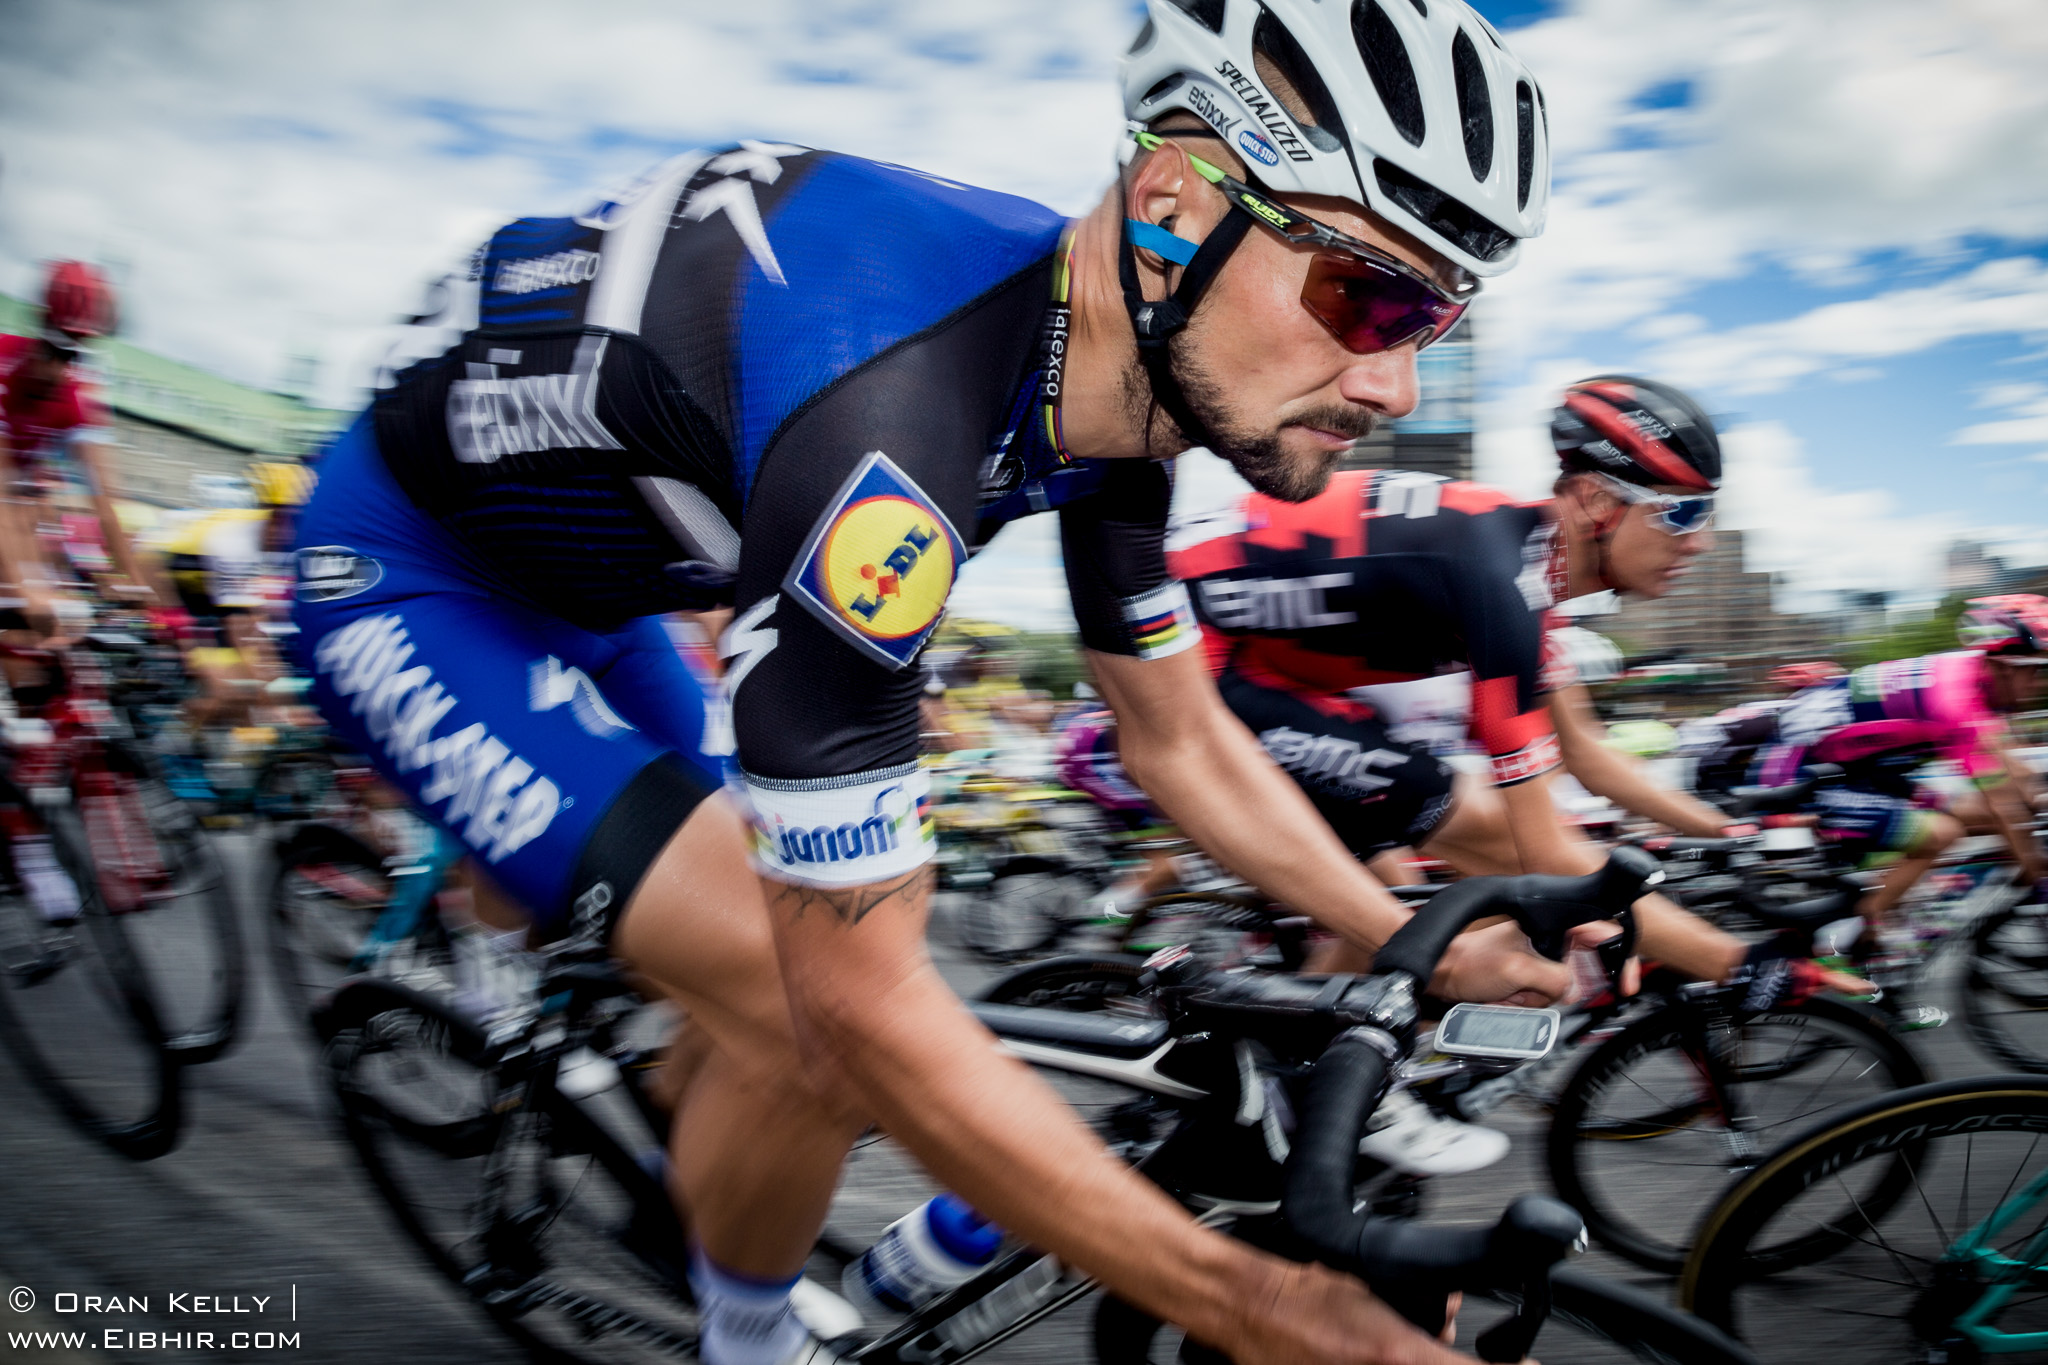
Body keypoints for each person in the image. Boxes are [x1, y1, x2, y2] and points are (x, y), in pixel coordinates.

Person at [293, 4, 1576, 1362]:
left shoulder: (1121, 404)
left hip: (617, 592)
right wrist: (1253, 1307)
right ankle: (745, 1335)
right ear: (1171, 205)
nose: (1395, 378)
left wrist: (1397, 932)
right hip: (411, 572)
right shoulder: (892, 404)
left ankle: (692, 1155)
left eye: (1434, 314)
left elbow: (1179, 736)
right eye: (1366, 296)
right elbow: (851, 1001)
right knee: (802, 1015)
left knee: (788, 967)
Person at [1165, 375, 1864, 1035]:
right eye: (1680, 512)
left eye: (1707, 515)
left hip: (1275, 665)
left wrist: (1728, 832)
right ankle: (1320, 1063)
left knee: (1431, 886)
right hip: (1195, 657)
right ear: (1594, 500)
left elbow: (1588, 757)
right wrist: (1739, 964)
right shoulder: (1502, 582)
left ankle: (1318, 1047)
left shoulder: (1528, 572)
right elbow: (1531, 844)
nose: (1699, 540)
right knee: (1464, 824)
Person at [1762, 594, 2048, 951]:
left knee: (1973, 815)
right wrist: (2033, 869)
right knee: (1942, 833)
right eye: (2035, 670)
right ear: (2006, 665)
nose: (2038, 685)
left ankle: (1890, 895)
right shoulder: (1954, 701)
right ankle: (1843, 944)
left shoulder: (1975, 674)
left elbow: (2014, 768)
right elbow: (2003, 798)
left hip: (1859, 767)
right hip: (1808, 770)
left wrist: (2036, 808)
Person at [0, 261, 171, 633]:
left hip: (17, 498)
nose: (62, 371)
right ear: (38, 334)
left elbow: (107, 501)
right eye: (54, 351)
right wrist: (30, 589)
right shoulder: (2, 362)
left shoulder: (76, 397)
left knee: (38, 505)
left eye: (75, 357)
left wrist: (131, 579)